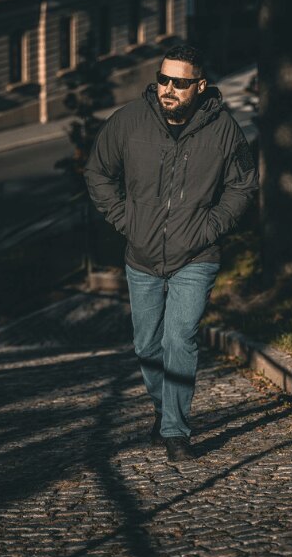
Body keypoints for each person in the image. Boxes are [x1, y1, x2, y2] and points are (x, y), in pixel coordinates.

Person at [84, 45, 258, 462]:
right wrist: (126, 220)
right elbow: (98, 172)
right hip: (141, 256)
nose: (168, 89)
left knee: (179, 337)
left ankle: (176, 432)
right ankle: (165, 412)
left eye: (179, 83)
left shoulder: (223, 130)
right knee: (146, 346)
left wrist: (211, 226)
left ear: (199, 86)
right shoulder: (128, 121)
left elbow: (243, 184)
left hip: (197, 255)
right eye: (163, 79)